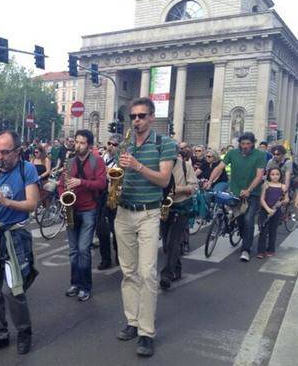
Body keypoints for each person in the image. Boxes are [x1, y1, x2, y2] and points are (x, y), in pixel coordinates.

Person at [114, 97, 176, 357]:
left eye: (141, 116)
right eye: (133, 117)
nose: (137, 120)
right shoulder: (125, 144)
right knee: (128, 272)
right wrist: (113, 182)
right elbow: (119, 173)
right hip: (123, 212)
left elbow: (163, 180)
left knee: (147, 273)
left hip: (149, 213)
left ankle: (146, 332)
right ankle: (132, 320)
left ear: (151, 117)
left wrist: (137, 166)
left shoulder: (165, 144)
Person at [0, 130, 39, 356]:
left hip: (15, 236)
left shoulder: (26, 169)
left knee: (14, 290)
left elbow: (32, 204)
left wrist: (6, 201)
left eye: (5, 152)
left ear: (17, 152)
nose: (0, 156)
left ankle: (24, 331)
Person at [58, 129, 106, 301]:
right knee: (73, 251)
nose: (77, 145)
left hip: (88, 209)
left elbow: (101, 184)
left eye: (82, 143)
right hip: (72, 208)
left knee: (83, 249)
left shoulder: (97, 161)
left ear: (90, 145)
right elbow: (61, 184)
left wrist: (81, 182)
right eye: (76, 142)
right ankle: (75, 283)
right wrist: (63, 195)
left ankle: (86, 286)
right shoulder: (69, 162)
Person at [205, 132, 266, 262]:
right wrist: (210, 181)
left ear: (253, 144)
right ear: (239, 144)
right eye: (243, 144)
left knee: (249, 220)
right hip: (235, 192)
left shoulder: (260, 155)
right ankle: (244, 238)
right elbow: (220, 168)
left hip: (252, 194)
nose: (245, 146)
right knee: (240, 219)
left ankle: (246, 249)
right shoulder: (232, 153)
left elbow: (259, 175)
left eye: (248, 144)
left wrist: (249, 189)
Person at [159, 151, 197, 289]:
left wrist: (176, 190)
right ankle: (177, 270)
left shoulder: (186, 166)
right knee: (166, 244)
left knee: (173, 242)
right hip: (164, 207)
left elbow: (194, 187)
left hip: (181, 208)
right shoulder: (158, 165)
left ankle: (166, 275)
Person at [96, 134, 121, 270]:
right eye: (109, 143)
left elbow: (116, 174)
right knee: (101, 229)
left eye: (114, 145)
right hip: (102, 195)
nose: (111, 146)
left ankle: (119, 254)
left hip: (115, 196)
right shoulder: (103, 158)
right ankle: (105, 258)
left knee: (116, 229)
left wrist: (105, 171)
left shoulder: (120, 160)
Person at [257, 168, 288, 259]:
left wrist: (282, 202)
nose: (275, 176)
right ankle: (261, 251)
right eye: (272, 174)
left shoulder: (283, 186)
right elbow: (262, 199)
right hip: (265, 210)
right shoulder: (266, 185)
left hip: (276, 211)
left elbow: (286, 198)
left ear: (280, 175)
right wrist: (267, 209)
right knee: (263, 230)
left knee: (273, 231)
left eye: (277, 174)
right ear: (269, 176)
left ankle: (271, 249)